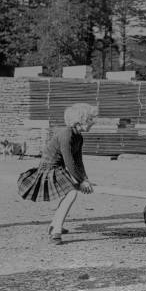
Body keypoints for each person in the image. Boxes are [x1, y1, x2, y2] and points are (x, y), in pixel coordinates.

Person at [17, 103, 97, 245]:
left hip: (59, 169)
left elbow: (79, 161)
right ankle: (56, 230)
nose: (93, 123)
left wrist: (85, 179)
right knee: (72, 193)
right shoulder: (66, 134)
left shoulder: (79, 137)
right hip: (48, 170)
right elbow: (69, 162)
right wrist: (81, 182)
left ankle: (55, 223)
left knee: (70, 192)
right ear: (80, 121)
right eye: (90, 119)